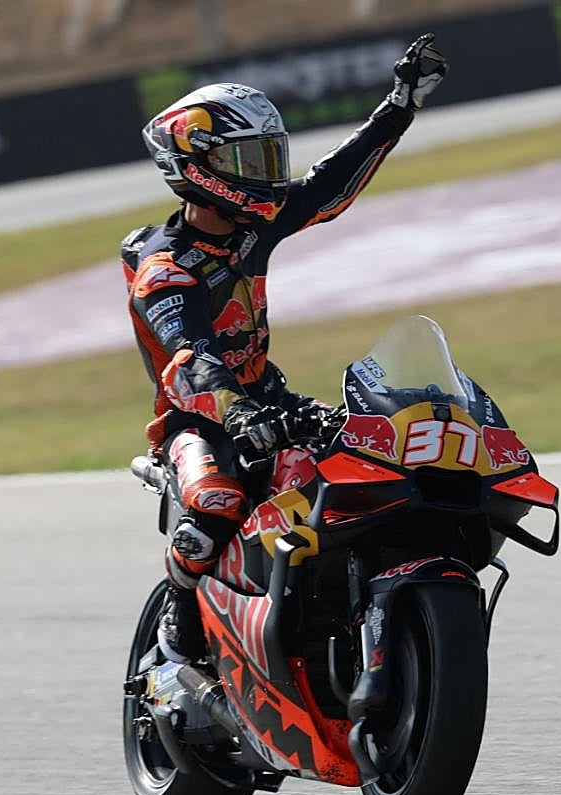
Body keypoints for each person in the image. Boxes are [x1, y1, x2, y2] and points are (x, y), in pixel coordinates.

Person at [121, 35, 448, 664]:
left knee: (375, 456)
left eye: (269, 156)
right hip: (198, 421)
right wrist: (238, 413)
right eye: (247, 159)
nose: (265, 174)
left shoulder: (251, 227)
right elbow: (191, 358)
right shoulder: (165, 269)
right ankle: (179, 616)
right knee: (218, 502)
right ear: (196, 166)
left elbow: (327, 188)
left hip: (271, 400)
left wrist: (398, 108)